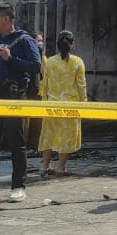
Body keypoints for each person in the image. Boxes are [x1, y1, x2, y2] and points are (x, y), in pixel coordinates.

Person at [0, 1, 42, 203]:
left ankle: (18, 186)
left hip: (13, 97)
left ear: (6, 19)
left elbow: (36, 66)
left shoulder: (23, 40)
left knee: (16, 142)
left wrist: (11, 59)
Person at [39, 31, 86, 177]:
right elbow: (81, 85)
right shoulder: (78, 62)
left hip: (51, 104)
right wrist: (84, 101)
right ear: (72, 44)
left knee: (48, 135)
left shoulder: (50, 62)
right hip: (70, 106)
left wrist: (43, 101)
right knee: (66, 136)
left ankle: (45, 166)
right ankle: (61, 167)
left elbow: (44, 83)